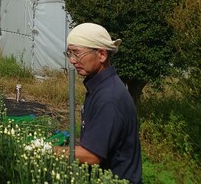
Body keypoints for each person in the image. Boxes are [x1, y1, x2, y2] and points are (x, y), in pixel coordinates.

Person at [57, 23, 142, 184]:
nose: (72, 60)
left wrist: (48, 151)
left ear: (102, 55)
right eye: (69, 53)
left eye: (77, 53)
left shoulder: (108, 98)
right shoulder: (101, 87)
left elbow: (91, 155)